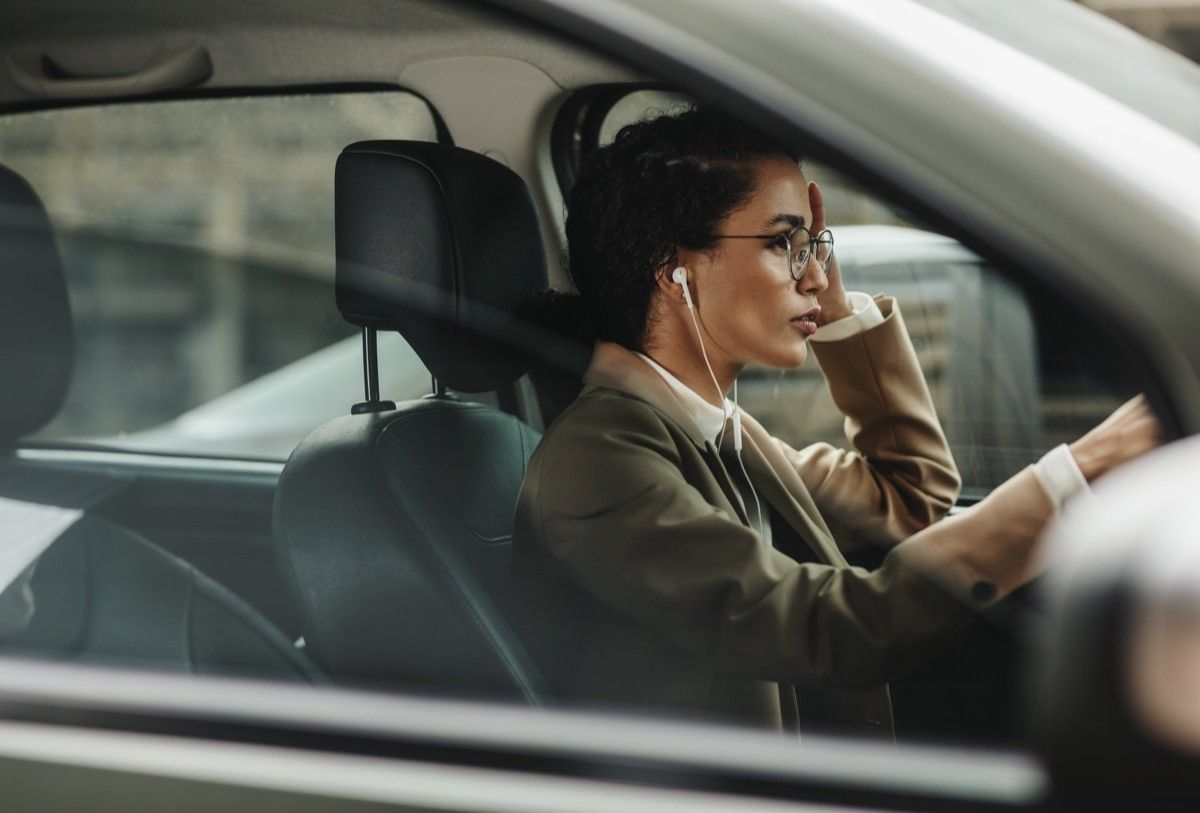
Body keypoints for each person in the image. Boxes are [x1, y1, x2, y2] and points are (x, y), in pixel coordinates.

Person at [512, 107, 1159, 739]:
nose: (815, 275)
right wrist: (1092, 463)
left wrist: (837, 306)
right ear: (671, 268)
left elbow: (908, 503)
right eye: (781, 244)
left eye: (813, 244)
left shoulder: (713, 427)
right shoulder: (600, 461)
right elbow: (827, 629)